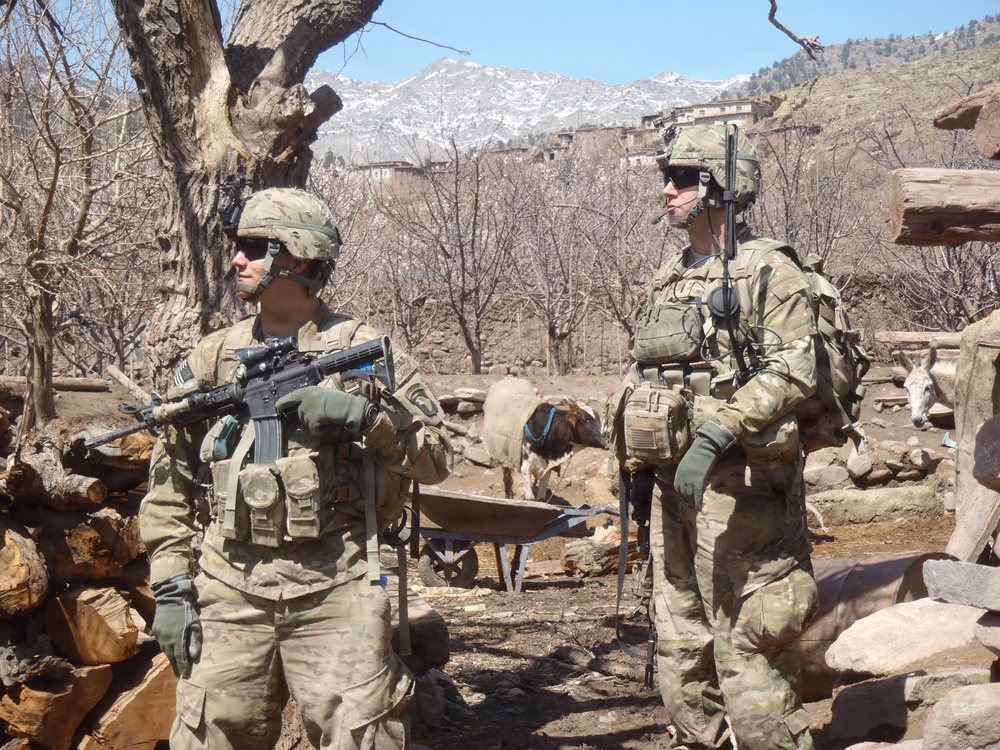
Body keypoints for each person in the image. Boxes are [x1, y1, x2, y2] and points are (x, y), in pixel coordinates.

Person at [140, 186, 453, 750]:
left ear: (299, 257)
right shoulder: (214, 358)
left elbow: (437, 461)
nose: (237, 260)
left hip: (338, 584)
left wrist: (367, 417)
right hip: (229, 588)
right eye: (239, 247)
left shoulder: (363, 351)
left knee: (364, 736)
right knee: (207, 734)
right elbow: (169, 484)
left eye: (255, 248)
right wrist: (169, 584)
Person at [608, 122, 820, 750]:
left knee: (748, 632)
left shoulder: (769, 270)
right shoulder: (670, 275)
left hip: (742, 484)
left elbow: (794, 370)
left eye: (681, 178)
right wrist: (630, 459)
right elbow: (646, 368)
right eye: (665, 178)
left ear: (718, 186)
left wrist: (715, 433)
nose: (667, 190)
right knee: (677, 630)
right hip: (671, 481)